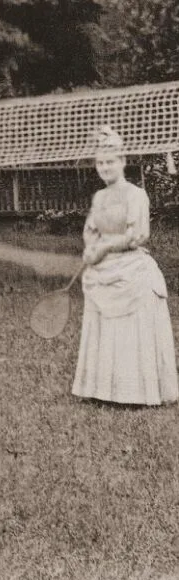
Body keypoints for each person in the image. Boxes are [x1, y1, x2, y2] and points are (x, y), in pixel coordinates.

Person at [72, 125, 179, 405]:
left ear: (122, 162)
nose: (104, 167)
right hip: (103, 269)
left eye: (110, 162)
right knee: (104, 327)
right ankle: (104, 391)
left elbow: (139, 235)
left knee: (131, 331)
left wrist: (106, 246)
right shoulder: (99, 198)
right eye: (100, 162)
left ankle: (136, 393)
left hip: (132, 270)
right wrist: (91, 248)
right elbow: (91, 230)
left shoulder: (136, 195)